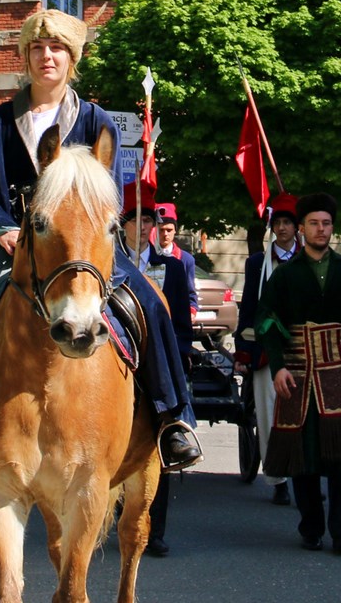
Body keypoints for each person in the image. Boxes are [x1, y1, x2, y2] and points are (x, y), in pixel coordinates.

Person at [0, 8, 201, 496]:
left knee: (150, 304)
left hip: (87, 249)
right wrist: (3, 228)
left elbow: (109, 193)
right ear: (25, 58)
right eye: (38, 49)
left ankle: (173, 419)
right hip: (13, 250)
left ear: (72, 59)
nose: (48, 57)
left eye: (58, 49)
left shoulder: (95, 121)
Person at [255, 192, 341, 555]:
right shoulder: (285, 276)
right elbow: (267, 319)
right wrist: (279, 366)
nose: (320, 229)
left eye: (326, 223)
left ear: (332, 228)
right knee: (304, 458)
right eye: (313, 223)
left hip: (338, 376)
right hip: (297, 375)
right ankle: (311, 527)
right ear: (301, 228)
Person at [123, 187, 196, 558]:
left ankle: (156, 529)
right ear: (123, 225)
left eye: (148, 220)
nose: (143, 225)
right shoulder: (109, 262)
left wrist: (178, 356)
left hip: (159, 363)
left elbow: (182, 323)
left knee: (160, 438)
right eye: (136, 218)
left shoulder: (173, 267)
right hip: (119, 361)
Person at [235, 194, 299, 507]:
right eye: (279, 223)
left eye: (288, 222)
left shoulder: (308, 259)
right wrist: (243, 351)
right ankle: (278, 480)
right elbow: (248, 308)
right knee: (269, 416)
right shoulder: (258, 263)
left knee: (303, 418)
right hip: (266, 352)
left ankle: (305, 476)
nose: (283, 228)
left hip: (302, 350)